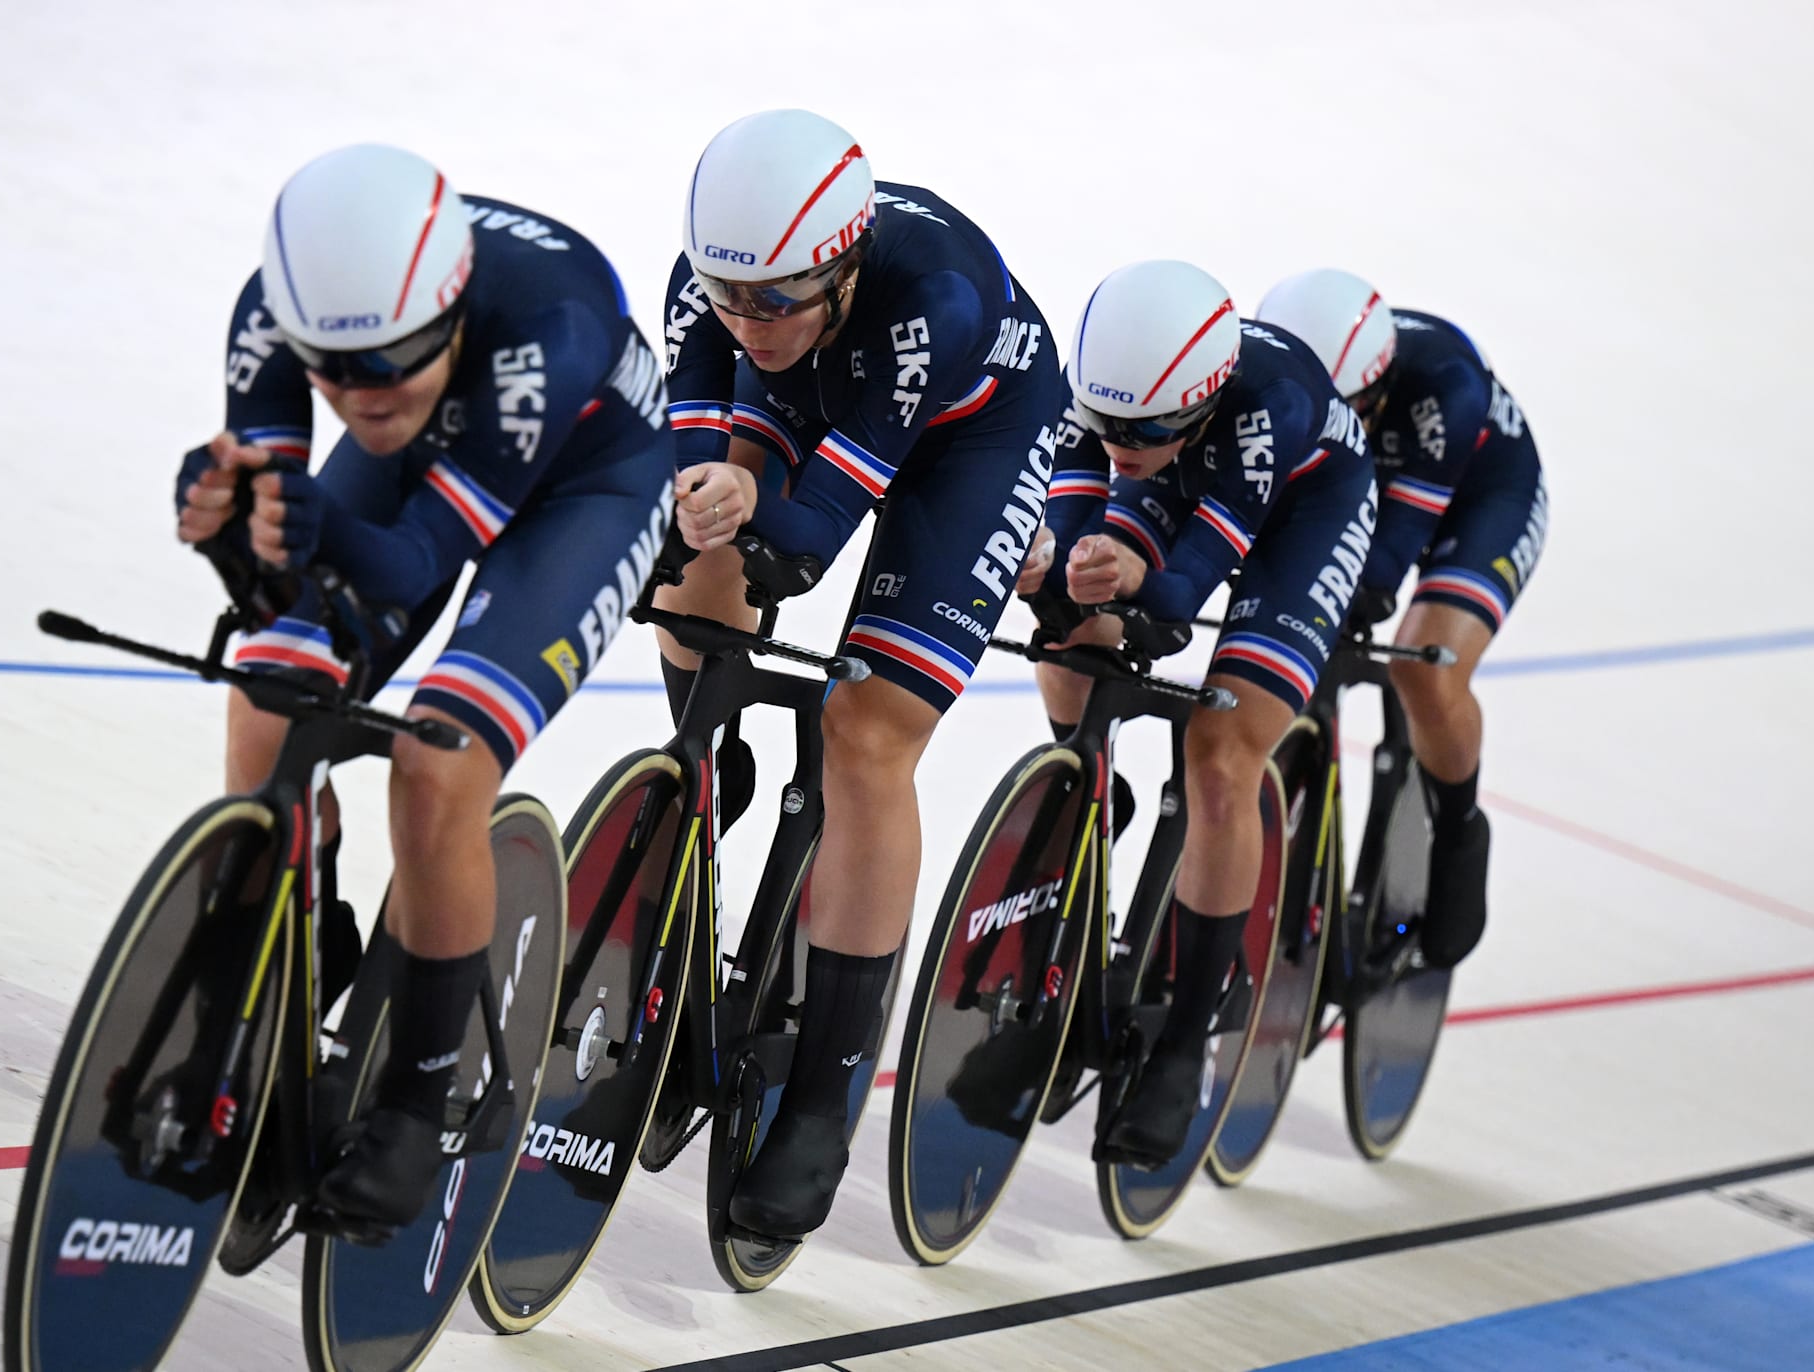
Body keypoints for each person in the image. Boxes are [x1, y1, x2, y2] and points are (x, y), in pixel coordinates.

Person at [174, 142, 674, 1227]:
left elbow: (408, 561)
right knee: (267, 701)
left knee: (438, 759)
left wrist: (315, 529)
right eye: (330, 368)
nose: (357, 394)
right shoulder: (280, 314)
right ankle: (288, 982)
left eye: (388, 359)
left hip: (585, 486)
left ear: (449, 312)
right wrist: (227, 525)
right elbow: (278, 558)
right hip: (430, 454)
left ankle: (417, 1090)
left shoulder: (553, 323)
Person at [657, 108, 1094, 1239]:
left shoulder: (931, 301)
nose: (744, 323)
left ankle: (823, 1093)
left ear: (842, 264)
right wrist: (709, 498)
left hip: (973, 436)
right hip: (828, 389)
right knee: (691, 570)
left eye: (774, 299)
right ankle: (705, 783)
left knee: (866, 733)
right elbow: (699, 467)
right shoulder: (717, 291)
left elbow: (807, 540)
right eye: (726, 297)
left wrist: (760, 512)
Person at [1022, 260, 1376, 1168]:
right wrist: (1059, 564)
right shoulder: (1113, 403)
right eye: (1106, 425)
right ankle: (1087, 779)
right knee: (1075, 615)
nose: (1119, 442)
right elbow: (1074, 511)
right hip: (1187, 476)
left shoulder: (1271, 404)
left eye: (1143, 427)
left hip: (1306, 516)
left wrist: (1148, 584)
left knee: (1220, 753)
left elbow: (1180, 594)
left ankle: (1185, 1032)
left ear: (1206, 395)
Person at [1254, 268, 1548, 970]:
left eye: (1343, 407)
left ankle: (1457, 834)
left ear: (1379, 388)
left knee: (1428, 664)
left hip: (1482, 498)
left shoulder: (1447, 384)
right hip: (1359, 481)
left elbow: (1382, 564)